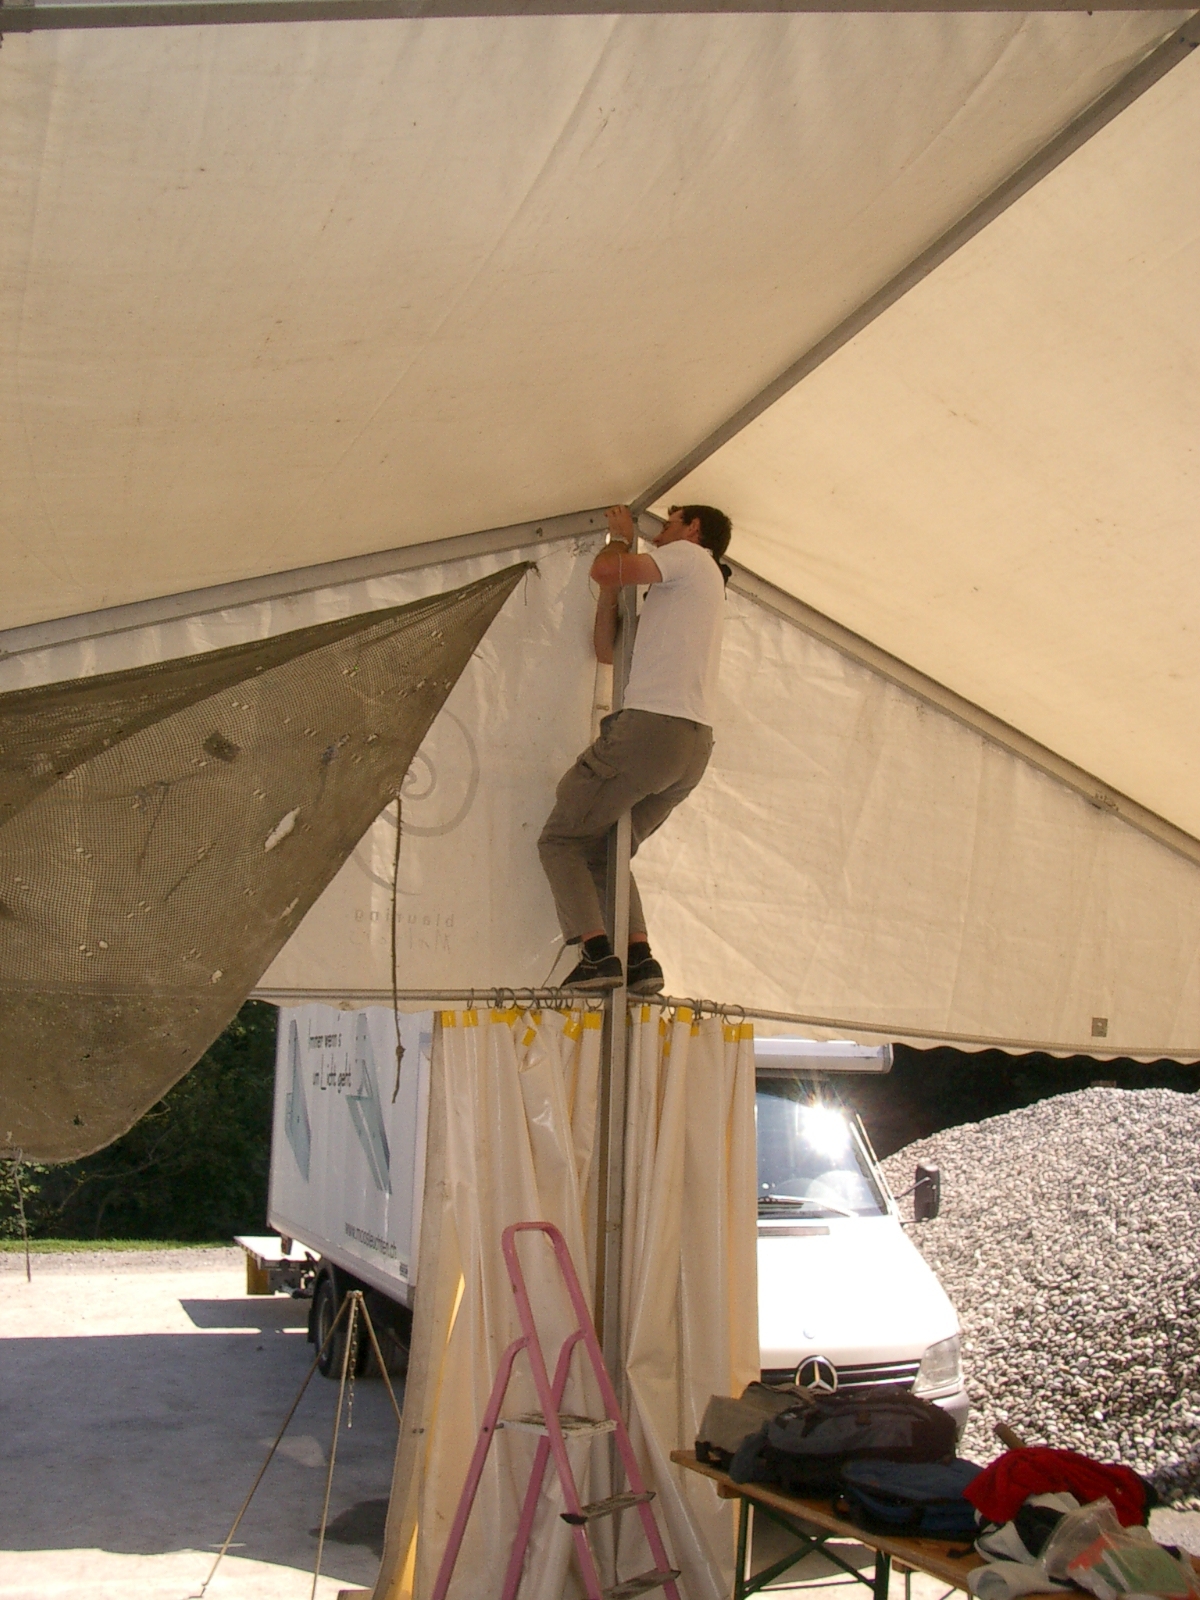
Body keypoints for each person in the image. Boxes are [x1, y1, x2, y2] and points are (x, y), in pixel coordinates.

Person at [538, 501, 732, 992]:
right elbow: (607, 651)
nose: (660, 531)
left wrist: (621, 540)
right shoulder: (686, 600)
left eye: (670, 523)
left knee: (561, 839)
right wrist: (613, 591)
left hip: (651, 731)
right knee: (609, 849)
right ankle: (640, 958)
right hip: (691, 747)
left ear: (694, 529)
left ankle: (596, 954)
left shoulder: (691, 557)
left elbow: (606, 567)